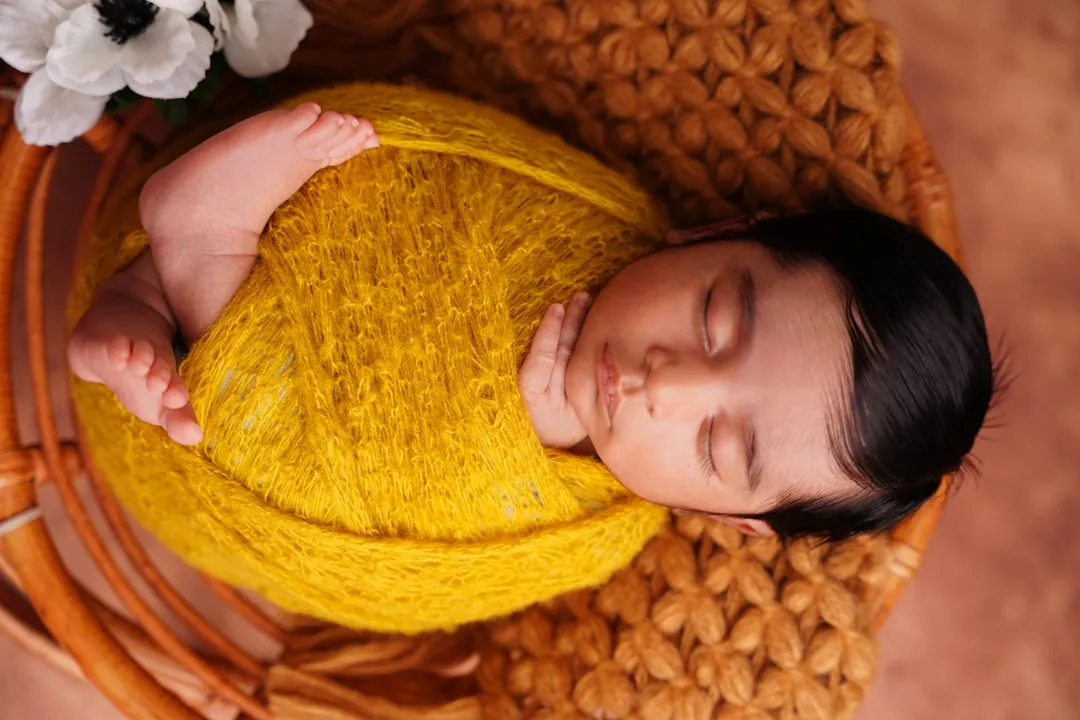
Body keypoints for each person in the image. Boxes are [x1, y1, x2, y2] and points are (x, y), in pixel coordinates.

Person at [68, 104, 998, 542]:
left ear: (735, 521)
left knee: (294, 454)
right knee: (343, 200)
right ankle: (183, 259)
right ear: (719, 232)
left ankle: (163, 283)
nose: (665, 383)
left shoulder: (586, 530)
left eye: (719, 446)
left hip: (200, 459)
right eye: (715, 314)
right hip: (293, 239)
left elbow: (439, 558)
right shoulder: (594, 211)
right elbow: (444, 150)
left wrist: (536, 447)